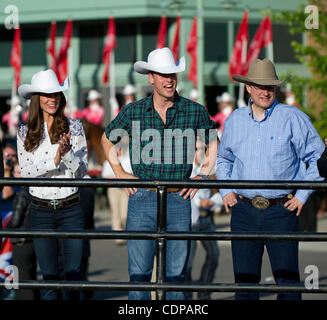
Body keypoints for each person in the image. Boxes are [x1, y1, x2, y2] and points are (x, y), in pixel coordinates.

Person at [101, 47, 218, 300]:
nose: (169, 79)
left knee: (177, 276)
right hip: (143, 196)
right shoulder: (134, 111)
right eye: (162, 74)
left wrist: (204, 175)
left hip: (179, 199)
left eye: (172, 74)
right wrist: (119, 173)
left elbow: (213, 140)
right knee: (139, 275)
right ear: (150, 77)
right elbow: (106, 139)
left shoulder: (193, 110)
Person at [216, 58, 325, 300]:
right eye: (260, 86)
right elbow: (223, 160)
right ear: (249, 88)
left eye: (271, 87)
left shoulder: (293, 117)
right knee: (244, 286)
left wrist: (302, 195)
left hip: (281, 211)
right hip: (243, 211)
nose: (266, 91)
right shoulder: (235, 120)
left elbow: (319, 158)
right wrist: (226, 191)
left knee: (287, 286)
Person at [17, 69, 88, 300]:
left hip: (71, 208)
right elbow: (27, 174)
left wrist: (67, 155)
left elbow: (81, 172)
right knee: (48, 279)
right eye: (47, 94)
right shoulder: (23, 132)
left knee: (74, 278)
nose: (53, 99)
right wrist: (54, 159)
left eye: (56, 93)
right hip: (40, 210)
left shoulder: (75, 126)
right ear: (37, 99)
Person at [6, 164, 39, 300]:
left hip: (21, 242)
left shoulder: (22, 194)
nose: (17, 175)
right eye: (16, 172)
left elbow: (16, 220)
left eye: (20, 172)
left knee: (23, 281)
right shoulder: (36, 191)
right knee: (32, 277)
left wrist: (5, 229)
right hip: (34, 241)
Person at [101, 139, 132, 245]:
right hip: (113, 188)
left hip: (125, 189)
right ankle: (118, 236)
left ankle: (125, 229)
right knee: (115, 212)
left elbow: (131, 173)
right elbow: (105, 175)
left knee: (125, 213)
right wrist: (118, 176)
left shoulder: (127, 160)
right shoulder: (108, 161)